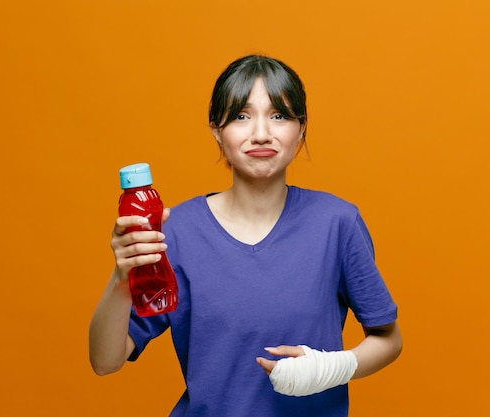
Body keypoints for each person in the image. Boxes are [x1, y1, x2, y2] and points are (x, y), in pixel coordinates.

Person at [89, 54, 402, 417]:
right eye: (241, 116)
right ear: (216, 131)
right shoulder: (174, 231)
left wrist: (328, 369)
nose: (261, 134)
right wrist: (120, 276)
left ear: (301, 129)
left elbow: (388, 339)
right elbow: (105, 361)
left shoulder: (338, 223)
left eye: (279, 115)